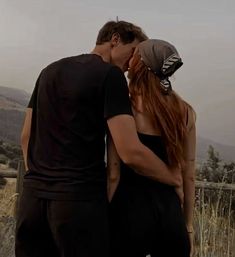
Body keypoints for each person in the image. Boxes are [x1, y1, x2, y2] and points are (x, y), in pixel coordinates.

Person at [16, 22, 182, 257]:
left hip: (32, 202)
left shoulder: (49, 70)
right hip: (78, 204)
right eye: (133, 51)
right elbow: (130, 151)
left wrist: (43, 181)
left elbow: (26, 136)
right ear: (115, 39)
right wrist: (172, 177)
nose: (132, 63)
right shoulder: (110, 76)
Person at [108, 39, 196, 257]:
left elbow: (113, 173)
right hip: (170, 217)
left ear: (138, 64)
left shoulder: (123, 108)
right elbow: (189, 175)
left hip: (129, 216)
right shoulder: (185, 112)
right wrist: (187, 226)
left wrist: (103, 215)